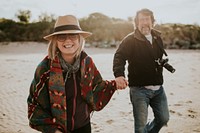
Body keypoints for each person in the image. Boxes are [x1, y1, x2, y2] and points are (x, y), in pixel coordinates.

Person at [27, 15, 122, 133]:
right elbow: (34, 105)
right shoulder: (45, 68)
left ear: (79, 39)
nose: (68, 40)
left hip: (84, 127)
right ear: (55, 41)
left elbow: (97, 87)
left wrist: (114, 84)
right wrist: (53, 130)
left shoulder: (87, 62)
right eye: (62, 36)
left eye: (73, 35)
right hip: (57, 130)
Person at [113, 8, 170, 133]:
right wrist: (119, 75)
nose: (144, 22)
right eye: (141, 20)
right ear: (137, 23)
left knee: (164, 119)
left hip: (158, 88)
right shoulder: (130, 40)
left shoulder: (157, 37)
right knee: (140, 127)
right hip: (139, 90)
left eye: (147, 19)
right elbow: (119, 57)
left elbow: (156, 57)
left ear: (152, 21)